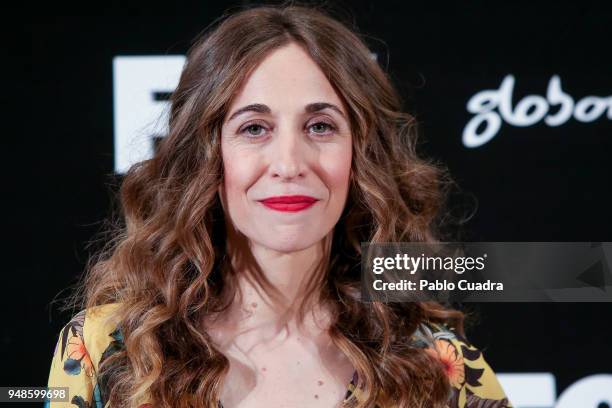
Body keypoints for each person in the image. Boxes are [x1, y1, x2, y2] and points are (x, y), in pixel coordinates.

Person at [45, 3, 512, 408]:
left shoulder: (437, 363)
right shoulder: (108, 347)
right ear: (206, 156)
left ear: (362, 156)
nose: (289, 163)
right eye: (254, 129)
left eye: (321, 127)